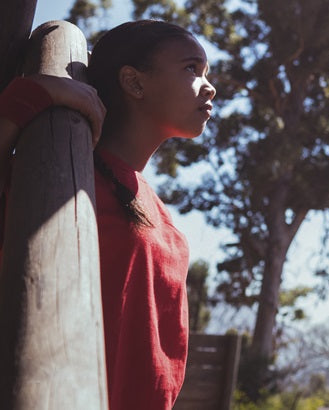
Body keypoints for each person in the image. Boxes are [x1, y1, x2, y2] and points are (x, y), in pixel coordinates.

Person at [0, 20, 216, 410]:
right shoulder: (53, 177)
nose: (209, 85)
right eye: (191, 68)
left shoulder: (166, 225)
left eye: (206, 73)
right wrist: (35, 93)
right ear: (134, 83)